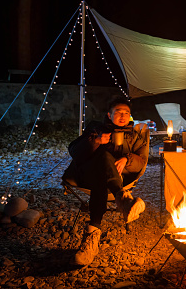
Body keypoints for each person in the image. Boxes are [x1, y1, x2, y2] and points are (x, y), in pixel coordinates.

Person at [62, 96, 148, 265]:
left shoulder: (136, 136)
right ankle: (122, 199)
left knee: (100, 178)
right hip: (85, 175)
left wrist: (127, 159)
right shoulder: (96, 128)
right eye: (118, 112)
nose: (122, 116)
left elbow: (142, 162)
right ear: (109, 115)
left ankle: (91, 238)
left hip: (110, 180)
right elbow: (73, 150)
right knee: (102, 155)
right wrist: (96, 140)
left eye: (126, 113)